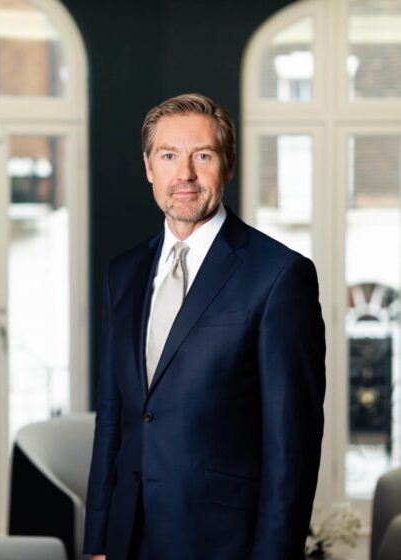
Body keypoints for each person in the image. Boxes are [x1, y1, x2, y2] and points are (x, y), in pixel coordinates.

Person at [83, 93, 326, 560]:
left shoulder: (278, 275)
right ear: (149, 167)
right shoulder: (123, 272)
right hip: (127, 535)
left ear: (228, 165)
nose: (185, 175)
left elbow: (291, 441)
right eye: (169, 156)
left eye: (203, 156)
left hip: (223, 541)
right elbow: (113, 417)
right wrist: (99, 539)